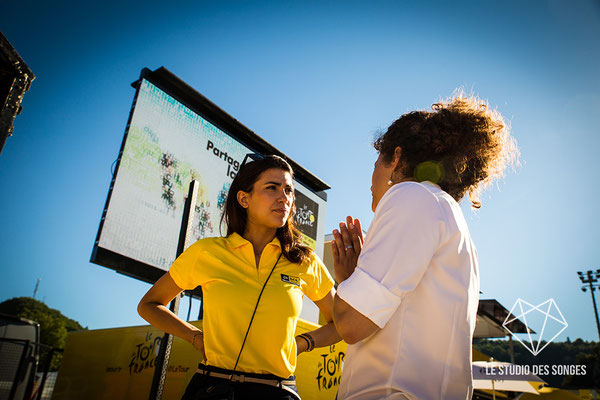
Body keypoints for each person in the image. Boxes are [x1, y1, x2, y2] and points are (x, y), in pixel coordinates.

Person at [331, 93, 519, 400]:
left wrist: (347, 281)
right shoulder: (446, 214)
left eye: (377, 161)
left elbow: (351, 324)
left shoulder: (410, 196)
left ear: (395, 159)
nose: (372, 178)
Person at [138, 154, 340, 400]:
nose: (284, 197)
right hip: (213, 388)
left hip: (278, 391)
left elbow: (340, 323)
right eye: (272, 188)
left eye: (288, 190)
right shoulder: (207, 252)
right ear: (244, 198)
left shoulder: (304, 260)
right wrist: (194, 336)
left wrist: (302, 343)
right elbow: (149, 305)